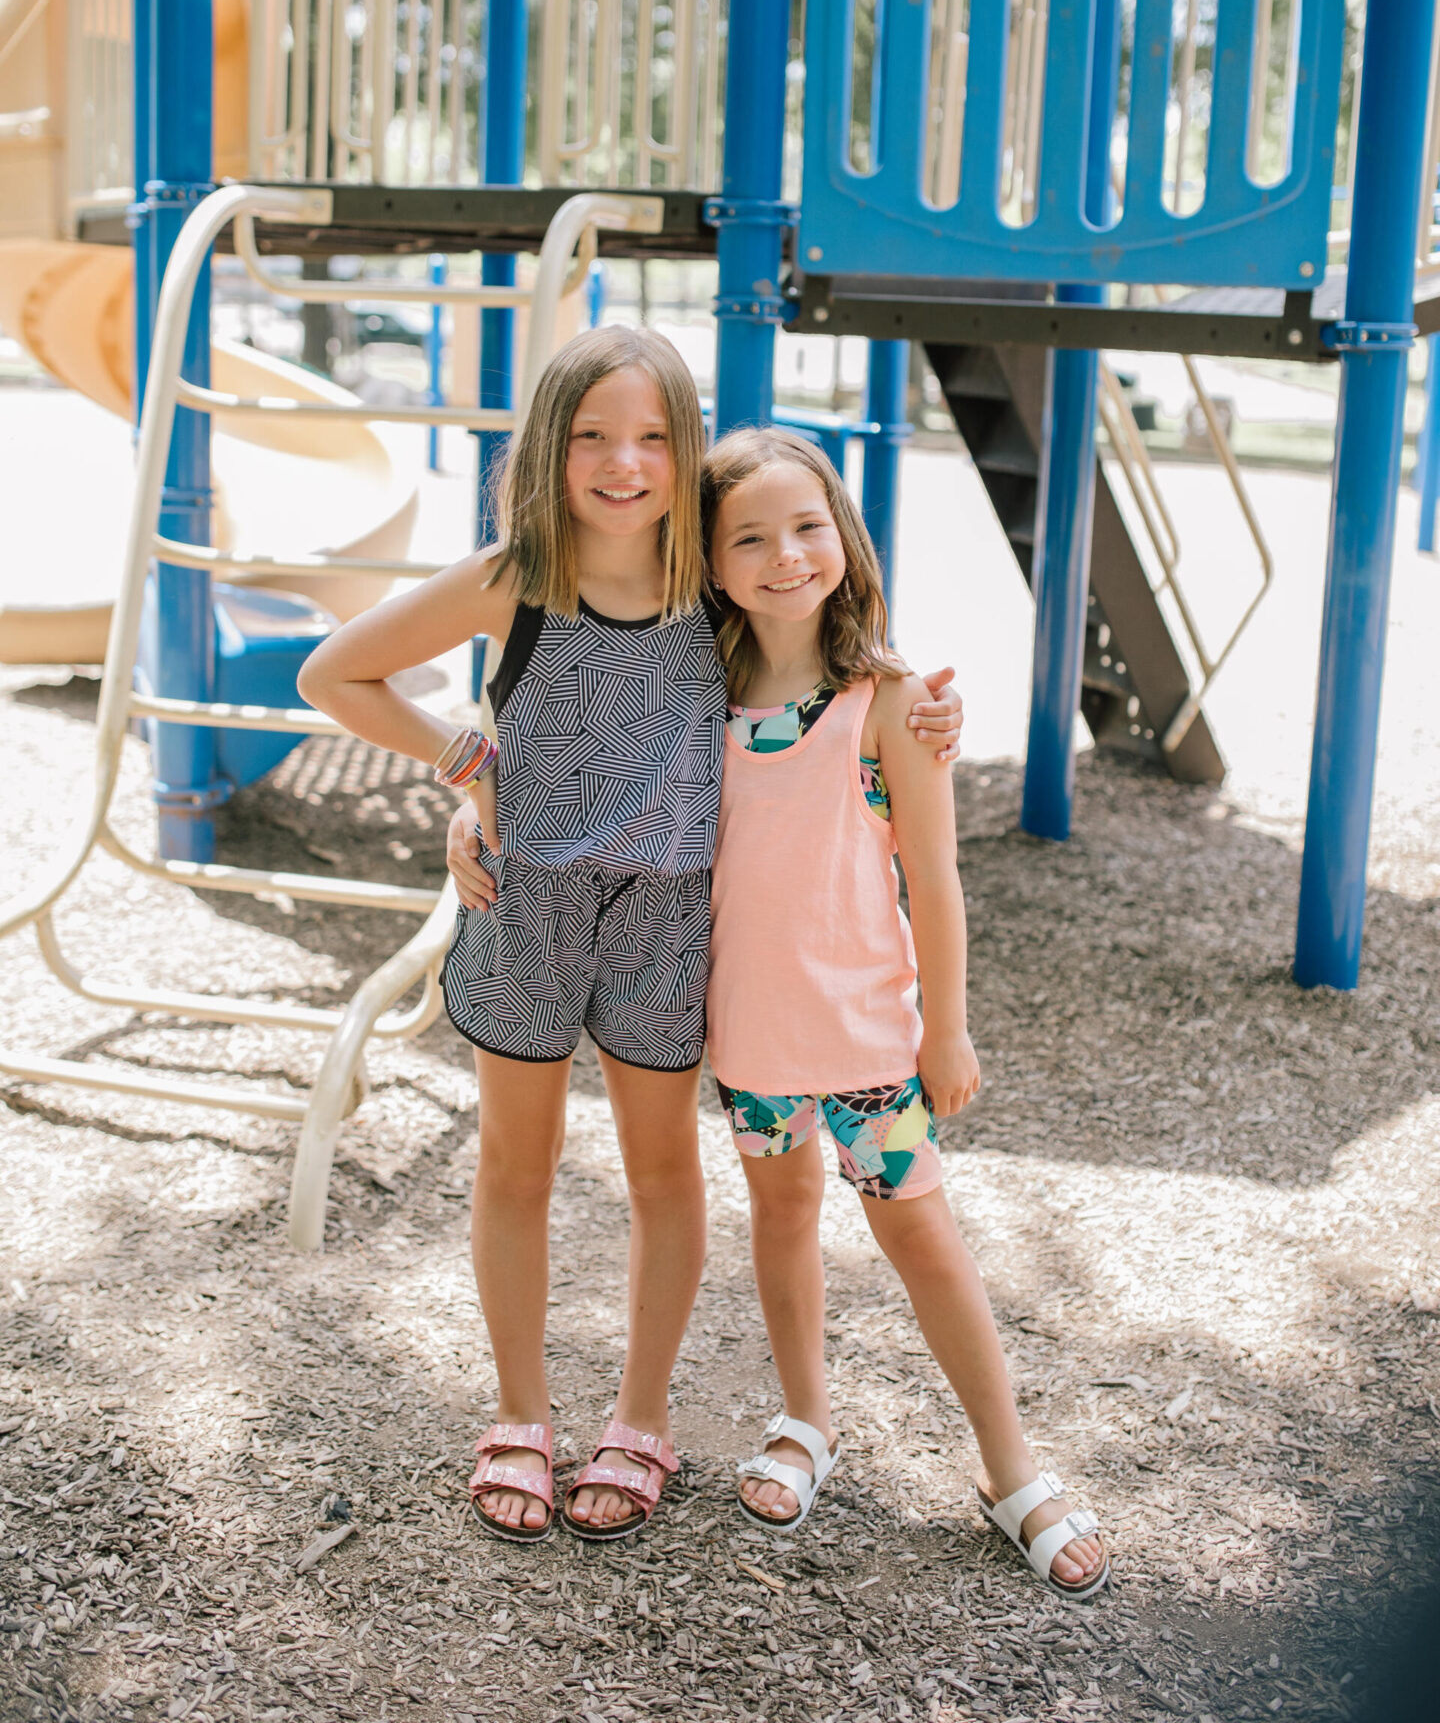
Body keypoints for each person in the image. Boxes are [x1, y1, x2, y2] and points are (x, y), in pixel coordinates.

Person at [303, 325, 964, 1544]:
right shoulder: (514, 578)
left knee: (665, 1175)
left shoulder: (705, 576)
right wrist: (468, 766)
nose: (623, 463)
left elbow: (811, 634)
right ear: (549, 445)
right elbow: (335, 674)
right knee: (518, 1166)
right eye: (594, 436)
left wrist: (926, 711)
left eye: (654, 437)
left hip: (666, 917)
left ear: (686, 450)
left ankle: (640, 1417)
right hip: (528, 909)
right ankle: (519, 1411)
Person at [700, 425, 1109, 1599]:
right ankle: (807, 1421)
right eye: (752, 539)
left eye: (807, 526)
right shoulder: (700, 696)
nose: (786, 555)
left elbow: (936, 880)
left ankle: (1010, 1467)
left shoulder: (889, 699)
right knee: (780, 1219)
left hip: (874, 1041)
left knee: (922, 1235)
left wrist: (949, 1028)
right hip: (753, 1039)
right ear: (714, 565)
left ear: (844, 534)